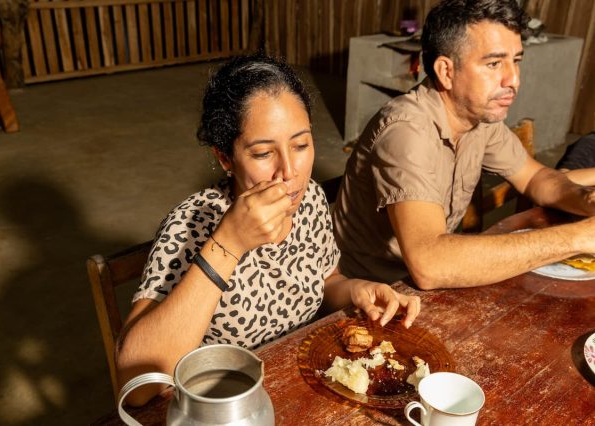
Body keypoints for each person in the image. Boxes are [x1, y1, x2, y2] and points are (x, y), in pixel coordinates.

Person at [116, 53, 421, 406]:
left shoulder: (310, 201)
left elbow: (325, 282)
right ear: (225, 158)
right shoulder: (191, 225)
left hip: (303, 385)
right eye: (263, 153)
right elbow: (134, 384)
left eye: (301, 145)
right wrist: (228, 242)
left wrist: (356, 290)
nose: (289, 171)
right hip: (227, 404)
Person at [333, 0, 595, 289]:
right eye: (494, 64)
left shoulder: (478, 117)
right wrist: (577, 237)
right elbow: (429, 264)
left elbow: (535, 178)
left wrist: (586, 201)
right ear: (446, 71)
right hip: (373, 294)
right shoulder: (406, 132)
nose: (514, 80)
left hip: (427, 282)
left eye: (516, 61)